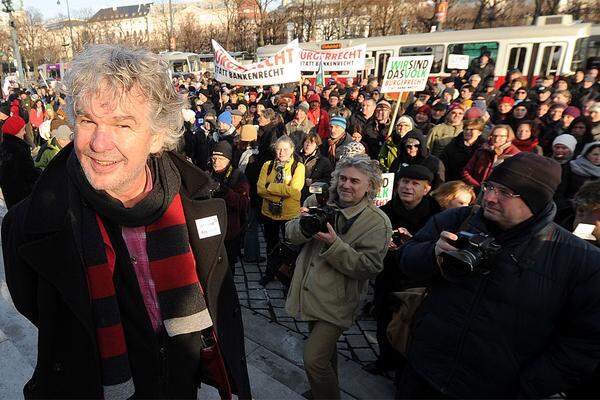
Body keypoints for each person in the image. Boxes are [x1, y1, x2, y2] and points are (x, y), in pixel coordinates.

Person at [1, 45, 251, 399]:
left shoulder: (199, 204)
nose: (99, 143)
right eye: (88, 121)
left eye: (123, 124)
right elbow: (40, 312)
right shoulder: (30, 225)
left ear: (156, 137)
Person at [397, 152, 600, 399]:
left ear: (535, 200)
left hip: (495, 390)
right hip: (423, 372)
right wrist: (432, 253)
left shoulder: (578, 259)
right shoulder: (457, 219)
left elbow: (583, 344)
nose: (489, 198)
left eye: (505, 193)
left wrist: (526, 387)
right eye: (490, 187)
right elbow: (405, 261)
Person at [285, 155, 392, 400]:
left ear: (370, 186)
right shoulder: (318, 200)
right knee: (324, 354)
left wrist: (334, 245)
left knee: (313, 359)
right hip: (309, 290)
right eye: (342, 178)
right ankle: (322, 390)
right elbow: (289, 233)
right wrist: (303, 226)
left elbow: (370, 267)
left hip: (338, 301)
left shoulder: (377, 222)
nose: (346, 185)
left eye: (355, 181)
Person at [368, 165, 440, 376]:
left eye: (415, 184)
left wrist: (413, 244)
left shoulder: (437, 216)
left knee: (410, 325)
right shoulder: (386, 211)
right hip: (388, 275)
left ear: (426, 189)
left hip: (416, 282)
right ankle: (384, 359)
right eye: (404, 182)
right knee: (383, 318)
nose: (408, 187)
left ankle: (405, 367)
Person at [257, 135, 305, 285]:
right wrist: (284, 190)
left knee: (290, 247)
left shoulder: (298, 167)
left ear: (292, 150)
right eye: (278, 149)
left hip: (289, 214)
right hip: (269, 213)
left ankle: (288, 276)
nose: (281, 152)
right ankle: (270, 272)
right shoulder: (267, 165)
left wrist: (270, 187)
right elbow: (259, 189)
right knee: (271, 244)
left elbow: (295, 192)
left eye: (285, 149)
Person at [209, 141, 250, 270]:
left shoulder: (238, 176)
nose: (216, 162)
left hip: (230, 232)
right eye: (214, 158)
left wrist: (225, 192)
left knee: (228, 269)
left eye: (220, 159)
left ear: (228, 160)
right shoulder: (208, 174)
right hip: (211, 230)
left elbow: (244, 203)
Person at [0, 115, 41, 208]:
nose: (25, 132)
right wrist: (41, 172)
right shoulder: (19, 149)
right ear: (15, 132)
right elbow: (30, 174)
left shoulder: (4, 147)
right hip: (23, 198)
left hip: (10, 198)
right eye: (23, 130)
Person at [298, 132, 333, 202]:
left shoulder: (323, 161)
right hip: (294, 194)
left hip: (312, 197)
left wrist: (314, 182)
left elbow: (329, 181)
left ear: (317, 146)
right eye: (306, 142)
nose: (308, 145)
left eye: (312, 143)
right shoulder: (295, 157)